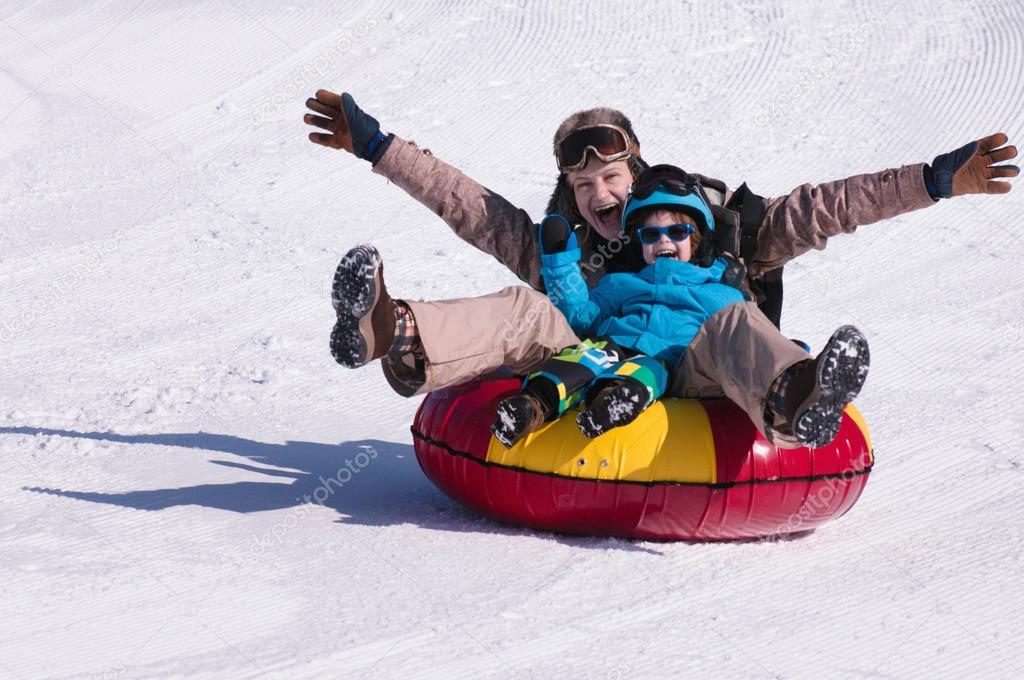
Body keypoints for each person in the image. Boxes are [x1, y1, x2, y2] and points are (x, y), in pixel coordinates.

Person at [305, 90, 1017, 405]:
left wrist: (932, 181)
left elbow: (830, 207)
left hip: (702, 369)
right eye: (582, 184)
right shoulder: (569, 253)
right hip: (592, 370)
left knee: (738, 322)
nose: (598, 196)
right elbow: (470, 207)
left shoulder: (719, 231)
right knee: (527, 307)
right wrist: (377, 146)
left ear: (635, 173)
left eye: (610, 176)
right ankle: (393, 330)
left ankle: (798, 391)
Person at [490, 166, 869, 449]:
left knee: (736, 317)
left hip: (690, 369)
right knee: (595, 351)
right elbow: (581, 318)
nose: (663, 241)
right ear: (639, 242)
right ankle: (551, 405)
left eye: (677, 231)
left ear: (697, 237)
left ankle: (798, 389)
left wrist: (792, 352)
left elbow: (749, 338)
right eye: (651, 234)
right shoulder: (622, 284)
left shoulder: (720, 290)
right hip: (628, 364)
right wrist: (560, 264)